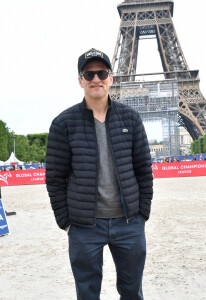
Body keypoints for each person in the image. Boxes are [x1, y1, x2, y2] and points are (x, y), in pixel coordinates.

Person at [46, 48, 153, 300]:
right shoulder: (63, 123)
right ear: (80, 80)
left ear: (111, 78)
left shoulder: (131, 118)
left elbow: (144, 170)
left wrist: (142, 213)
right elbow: (54, 178)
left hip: (129, 223)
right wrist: (66, 220)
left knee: (132, 293)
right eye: (89, 74)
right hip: (84, 226)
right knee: (87, 293)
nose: (96, 79)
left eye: (101, 73)